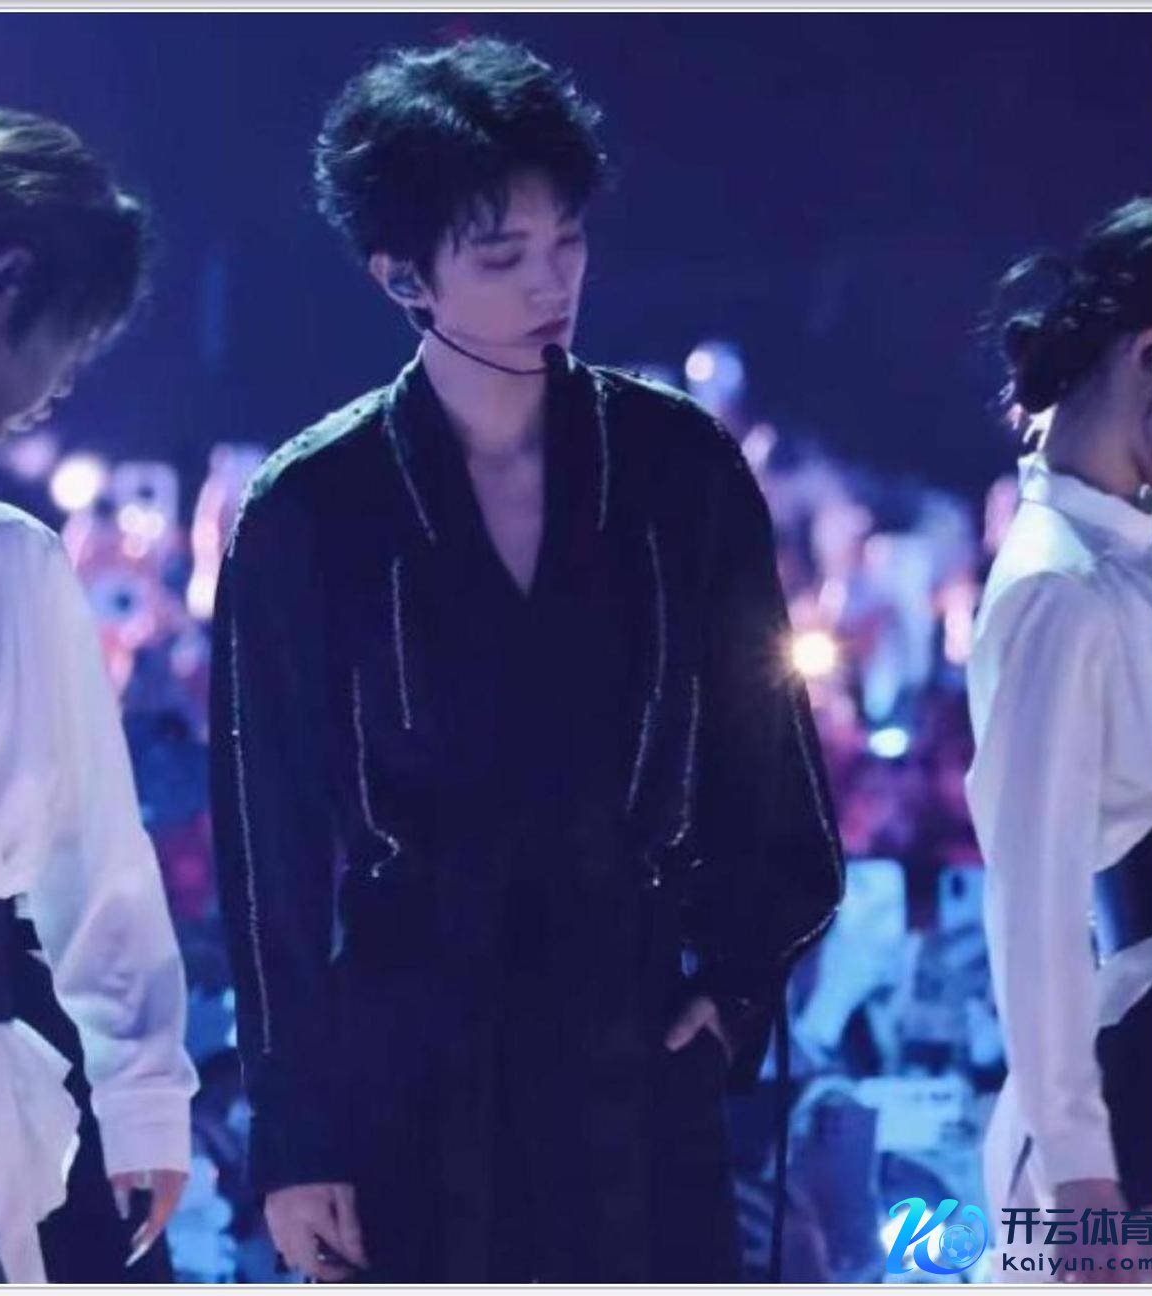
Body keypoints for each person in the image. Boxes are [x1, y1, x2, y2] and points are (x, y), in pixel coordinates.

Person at [211, 37, 843, 1283]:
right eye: (502, 257)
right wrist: (293, 1136)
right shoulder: (312, 507)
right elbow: (267, 846)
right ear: (403, 276)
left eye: (569, 241)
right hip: (408, 1071)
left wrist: (735, 989)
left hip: (634, 1051)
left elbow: (772, 767)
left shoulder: (679, 470)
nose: (552, 282)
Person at [0, 108, 198, 1283]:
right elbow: (88, 860)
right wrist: (141, 1102)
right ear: (3, 282)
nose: (63, 387)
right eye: (74, 344)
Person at [966, 198, 1152, 1282]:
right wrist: (1081, 1173)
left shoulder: (1131, 555)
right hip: (1127, 1100)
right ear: (1151, 357)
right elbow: (1031, 903)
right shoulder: (1057, 589)